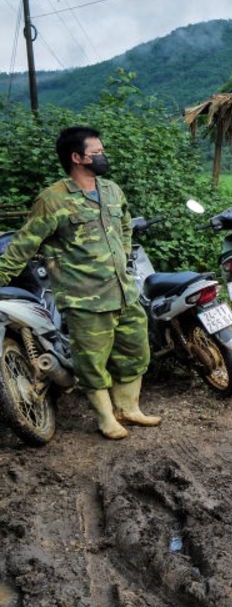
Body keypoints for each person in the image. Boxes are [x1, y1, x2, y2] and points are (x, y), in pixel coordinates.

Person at [0, 127, 155, 440]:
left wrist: (124, 257)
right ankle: (106, 418)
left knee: (136, 350)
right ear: (76, 157)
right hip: (85, 297)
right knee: (91, 362)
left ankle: (128, 408)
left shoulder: (111, 190)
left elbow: (125, 225)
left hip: (123, 291)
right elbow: (24, 244)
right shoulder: (54, 199)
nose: (102, 156)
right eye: (96, 152)